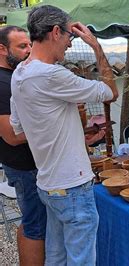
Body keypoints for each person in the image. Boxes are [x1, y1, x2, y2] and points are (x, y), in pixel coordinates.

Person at [9, 5, 118, 265]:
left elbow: (21, 128)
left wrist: (73, 137)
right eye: (70, 36)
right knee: (81, 260)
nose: (70, 43)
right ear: (56, 32)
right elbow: (111, 91)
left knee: (56, 258)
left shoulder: (19, 74)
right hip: (72, 186)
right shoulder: (52, 74)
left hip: (48, 184)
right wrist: (95, 46)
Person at [0, 25, 47, 265]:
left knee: (30, 221)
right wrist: (53, 128)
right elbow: (11, 135)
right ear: (1, 49)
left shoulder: (14, 76)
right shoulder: (3, 83)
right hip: (25, 166)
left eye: (30, 45)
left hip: (27, 165)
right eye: (22, 46)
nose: (29, 50)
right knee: (36, 226)